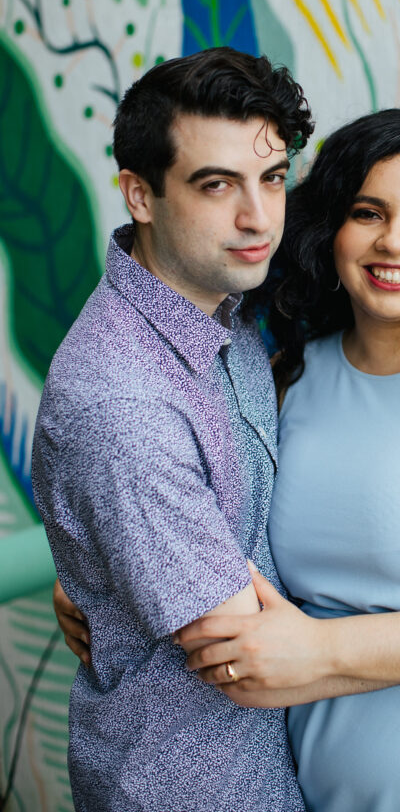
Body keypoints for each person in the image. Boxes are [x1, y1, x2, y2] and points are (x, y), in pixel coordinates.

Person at [56, 109, 400, 810]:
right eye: (368, 212)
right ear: (332, 227)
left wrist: (321, 654)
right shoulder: (283, 373)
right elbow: (185, 501)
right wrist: (97, 574)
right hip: (323, 784)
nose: (395, 243)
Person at [32, 47, 316, 812]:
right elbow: (242, 652)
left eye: (272, 178)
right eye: (216, 184)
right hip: (192, 787)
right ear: (141, 195)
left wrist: (97, 573)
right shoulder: (121, 401)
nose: (258, 217)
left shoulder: (227, 304)